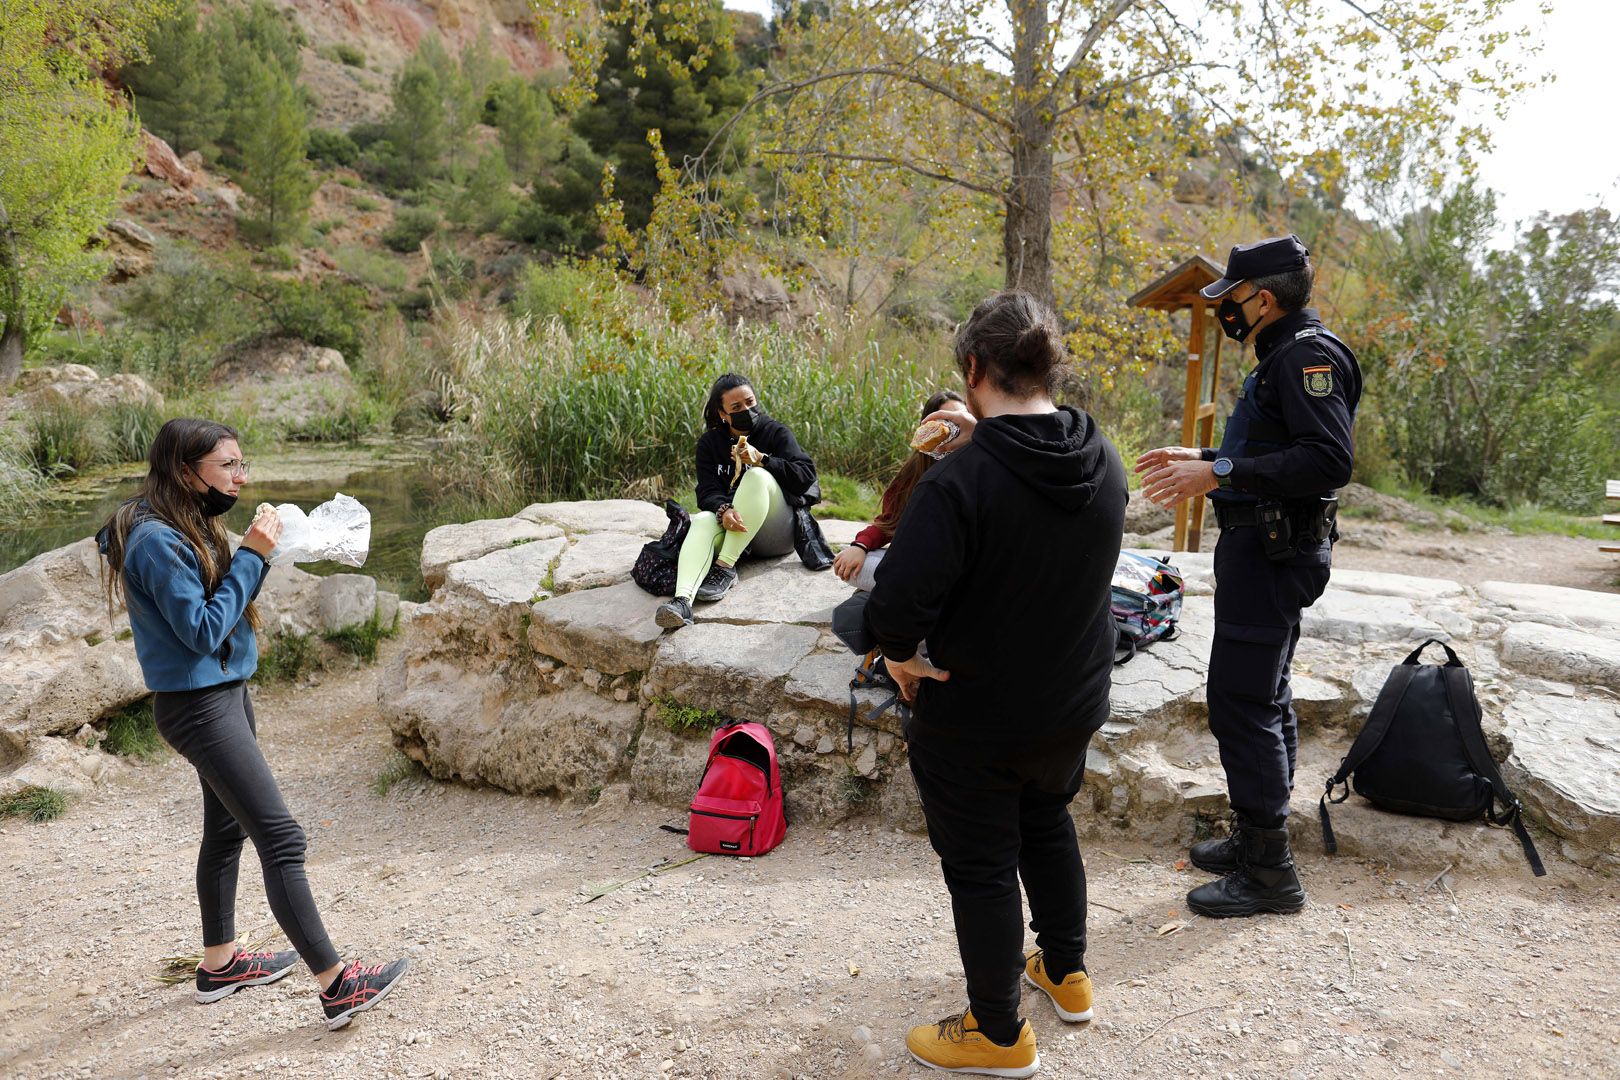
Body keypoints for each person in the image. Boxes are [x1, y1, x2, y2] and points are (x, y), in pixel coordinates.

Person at [866, 292, 1127, 1077]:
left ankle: (997, 1032)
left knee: (981, 864)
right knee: (1047, 824)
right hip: (1071, 703)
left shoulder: (959, 482)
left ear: (973, 370)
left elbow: (894, 609)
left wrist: (901, 657)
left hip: (975, 716)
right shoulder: (1099, 455)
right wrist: (988, 440)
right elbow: (1031, 474)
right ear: (1050, 366)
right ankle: (1067, 973)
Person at [97, 418, 409, 1030]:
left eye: (243, 464)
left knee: (227, 830)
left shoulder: (180, 517)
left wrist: (260, 552)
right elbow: (204, 629)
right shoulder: (157, 540)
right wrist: (254, 555)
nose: (241, 477)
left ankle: (220, 964)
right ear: (187, 472)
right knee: (281, 836)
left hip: (221, 694)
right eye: (227, 466)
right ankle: (338, 985)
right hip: (198, 705)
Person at [1134, 234, 1363, 919]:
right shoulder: (1286, 355)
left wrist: (1221, 472)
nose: (1226, 311)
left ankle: (1270, 873)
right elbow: (1275, 449)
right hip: (1267, 552)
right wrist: (1205, 456)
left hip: (1273, 555)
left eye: (1231, 298)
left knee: (1241, 701)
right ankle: (1259, 841)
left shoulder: (1306, 356)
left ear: (1262, 298)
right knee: (1263, 693)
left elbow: (1326, 459)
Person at [655, 374, 821, 629]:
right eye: (736, 408)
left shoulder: (775, 432)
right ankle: (682, 602)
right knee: (703, 519)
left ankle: (724, 567)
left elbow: (806, 477)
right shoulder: (710, 443)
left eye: (749, 402)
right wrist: (724, 510)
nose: (746, 410)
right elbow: (707, 490)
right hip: (739, 533)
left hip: (776, 532)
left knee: (755, 476)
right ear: (722, 414)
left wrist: (764, 460)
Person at [832, 390, 972, 592]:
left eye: (960, 421)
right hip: (917, 565)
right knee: (852, 565)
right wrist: (859, 546)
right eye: (946, 423)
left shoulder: (976, 466)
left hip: (954, 570)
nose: (953, 430)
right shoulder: (914, 472)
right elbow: (888, 521)